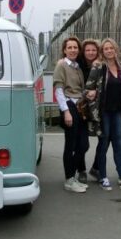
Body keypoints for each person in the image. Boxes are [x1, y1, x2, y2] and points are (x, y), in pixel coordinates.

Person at [85, 39, 121, 191]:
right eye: (106, 49)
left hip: (118, 112)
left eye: (111, 48)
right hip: (103, 112)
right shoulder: (99, 66)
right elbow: (88, 87)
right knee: (103, 143)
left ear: (116, 50)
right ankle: (102, 176)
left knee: (118, 144)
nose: (109, 51)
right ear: (102, 51)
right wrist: (91, 92)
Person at [53, 36, 89, 193]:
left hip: (80, 107)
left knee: (83, 144)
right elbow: (59, 90)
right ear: (64, 50)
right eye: (70, 47)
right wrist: (66, 112)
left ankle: (72, 176)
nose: (73, 50)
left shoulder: (77, 67)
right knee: (71, 144)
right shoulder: (61, 65)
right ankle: (69, 179)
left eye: (75, 47)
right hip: (69, 106)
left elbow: (80, 89)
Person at [77, 39, 101, 183]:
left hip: (97, 108)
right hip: (82, 108)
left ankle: (96, 168)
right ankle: (81, 170)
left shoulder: (101, 65)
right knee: (83, 144)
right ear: (83, 52)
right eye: (87, 50)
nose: (91, 52)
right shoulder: (77, 65)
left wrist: (97, 91)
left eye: (93, 50)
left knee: (103, 139)